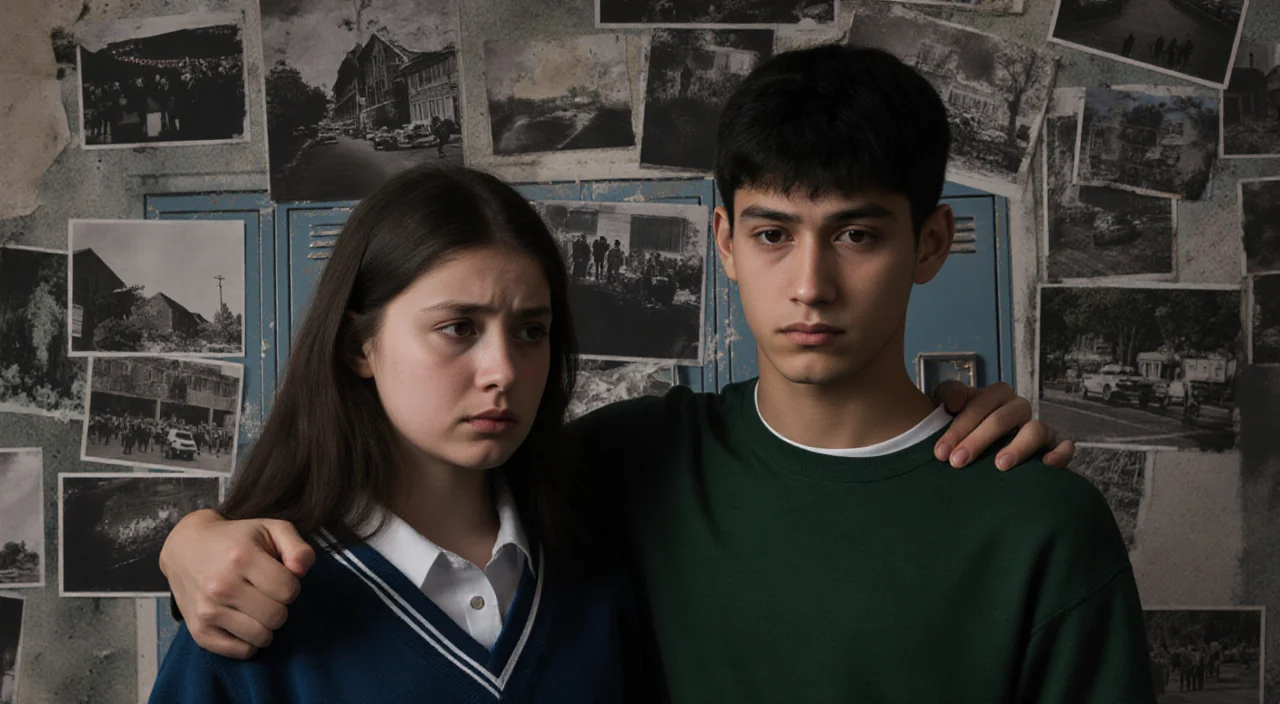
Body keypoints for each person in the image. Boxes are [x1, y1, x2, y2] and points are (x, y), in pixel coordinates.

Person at [157, 46, 1093, 701]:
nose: (811, 285)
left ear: (932, 244)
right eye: (773, 233)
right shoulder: (633, 464)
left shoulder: (1032, 513)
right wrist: (188, 538)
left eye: (857, 234)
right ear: (724, 242)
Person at [149, 167, 649, 702]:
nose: (503, 370)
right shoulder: (253, 606)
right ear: (357, 346)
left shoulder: (597, 576)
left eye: (532, 331)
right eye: (459, 327)